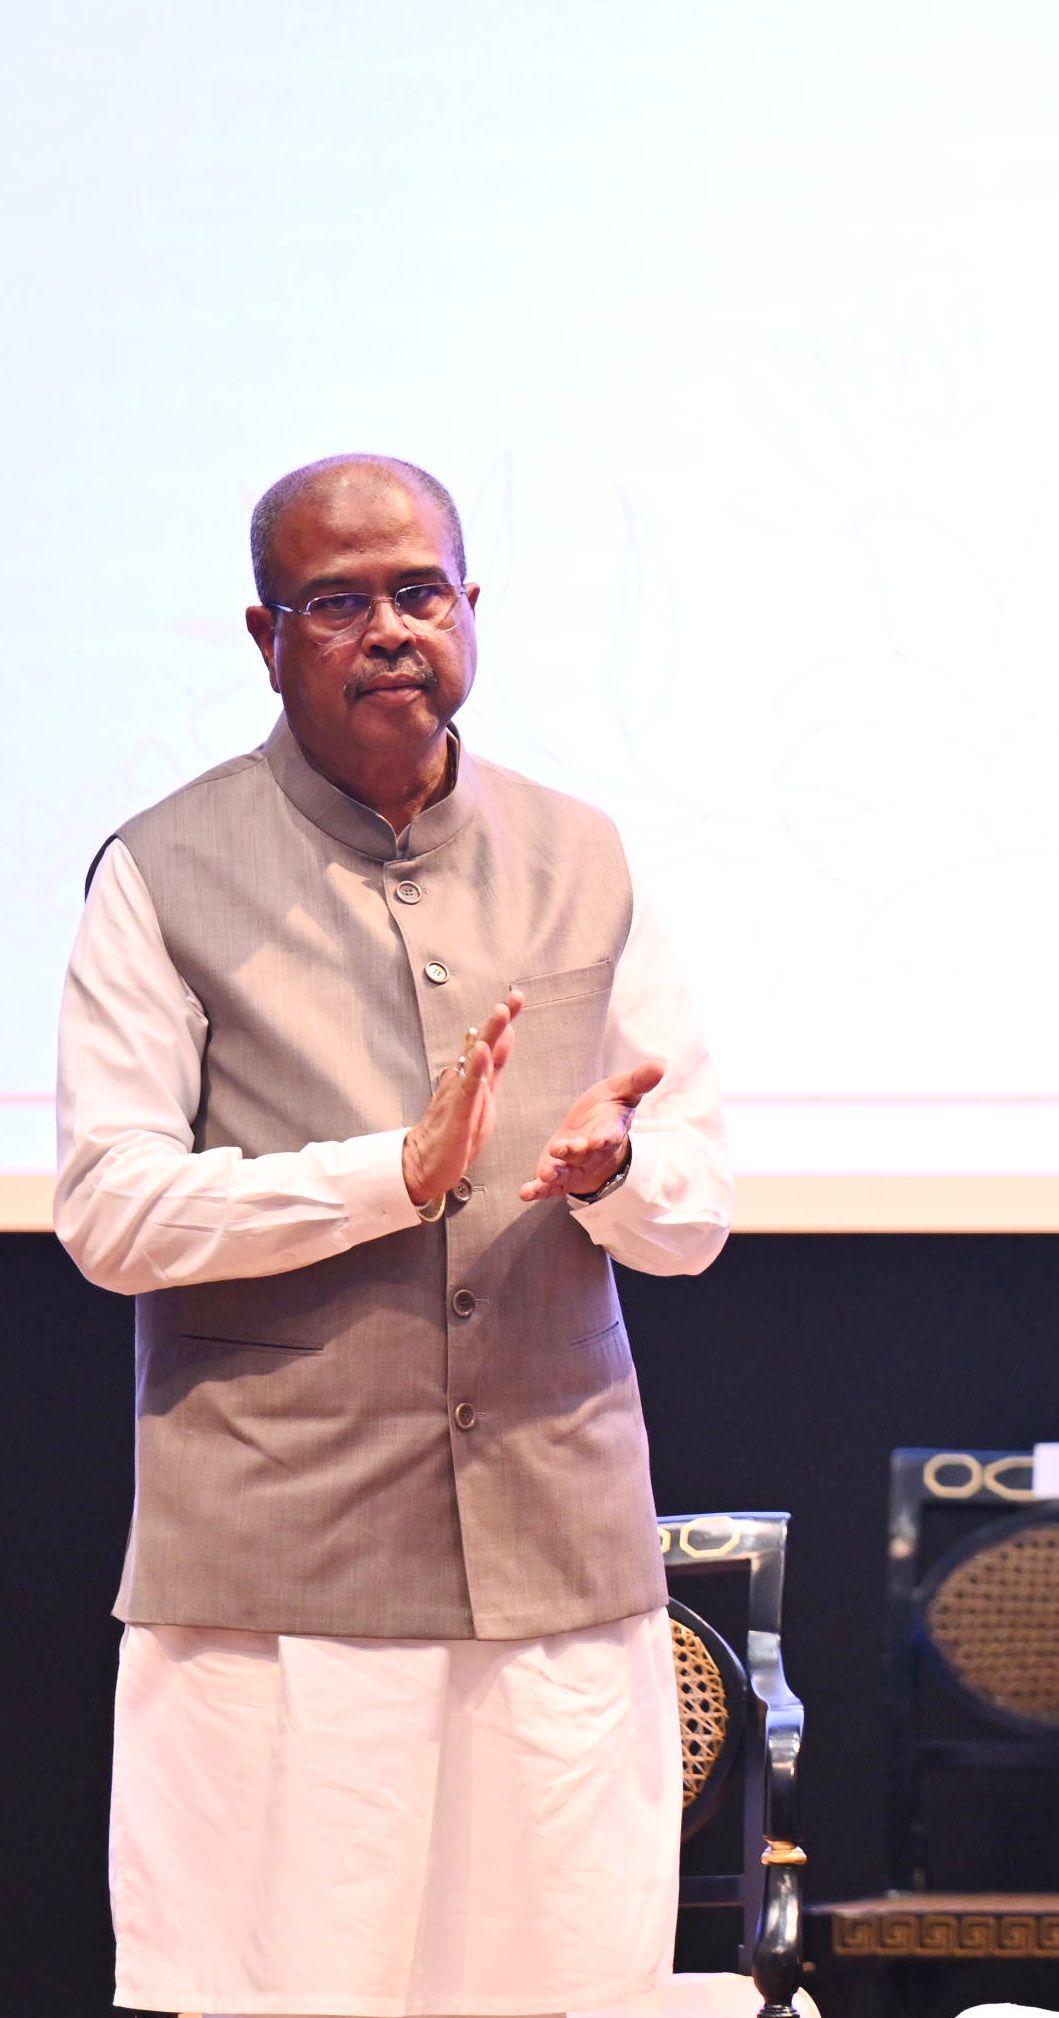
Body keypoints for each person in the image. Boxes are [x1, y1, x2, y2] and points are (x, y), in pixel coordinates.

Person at [56, 455, 731, 2018]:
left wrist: (617, 1170)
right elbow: (107, 1209)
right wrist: (388, 1176)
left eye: (419, 591)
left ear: (471, 607)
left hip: (555, 1565)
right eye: (337, 601)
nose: (389, 629)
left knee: (571, 1988)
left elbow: (693, 1211)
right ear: (265, 636)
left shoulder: (587, 854)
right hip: (284, 1587)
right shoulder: (162, 870)